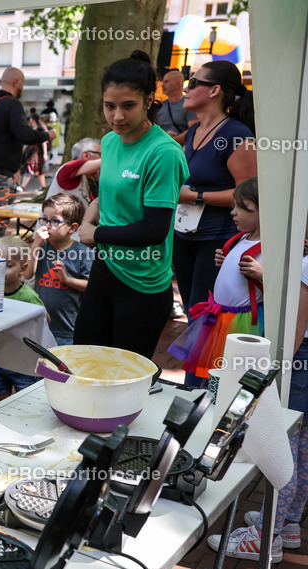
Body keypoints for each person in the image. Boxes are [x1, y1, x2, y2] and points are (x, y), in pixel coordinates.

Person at [74, 51, 189, 360]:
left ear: (149, 100)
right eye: (109, 106)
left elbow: (154, 229)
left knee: (125, 377)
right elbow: (107, 197)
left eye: (128, 106)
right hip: (105, 268)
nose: (117, 117)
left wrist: (96, 234)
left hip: (143, 283)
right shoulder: (110, 141)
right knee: (82, 362)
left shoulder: (163, 152)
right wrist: (89, 217)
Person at [210, 230, 308, 564]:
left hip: (300, 362)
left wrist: (275, 375)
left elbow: (295, 329)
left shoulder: (305, 267)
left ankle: (267, 536)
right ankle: (289, 522)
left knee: (284, 447)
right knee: (303, 447)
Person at [172, 60, 256, 324]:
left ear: (214, 90)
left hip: (217, 241)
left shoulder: (237, 133)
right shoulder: (195, 130)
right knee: (191, 312)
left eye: (193, 83)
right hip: (182, 235)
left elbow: (249, 195)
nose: (186, 89)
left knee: (205, 316)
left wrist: (196, 197)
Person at [168, 178, 262, 380]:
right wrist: (227, 261)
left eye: (242, 208)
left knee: (231, 374)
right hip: (219, 316)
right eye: (234, 206)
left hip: (240, 322)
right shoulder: (241, 238)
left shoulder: (269, 247)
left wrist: (262, 274)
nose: (233, 212)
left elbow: (284, 287)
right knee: (209, 370)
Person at [0, 67, 56, 245]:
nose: (22, 87)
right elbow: (24, 134)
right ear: (16, 82)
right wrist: (47, 135)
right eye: (22, 83)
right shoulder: (12, 104)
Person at [22, 193, 94, 346]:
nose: (46, 225)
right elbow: (28, 274)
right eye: (44, 219)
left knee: (64, 360)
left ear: (72, 228)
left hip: (69, 329)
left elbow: (91, 286)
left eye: (55, 221)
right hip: (42, 325)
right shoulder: (41, 248)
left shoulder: (83, 253)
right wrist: (35, 245)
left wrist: (67, 280)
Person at [0, 235, 44, 402]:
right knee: (0, 397)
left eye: (9, 265)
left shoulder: (28, 297)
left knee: (25, 400)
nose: (1, 269)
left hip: (22, 362)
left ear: (23, 268)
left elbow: (45, 320)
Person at [47, 137, 101, 208]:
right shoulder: (68, 168)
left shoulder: (83, 178)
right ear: (86, 155)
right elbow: (104, 162)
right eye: (101, 154)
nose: (102, 157)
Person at [157, 69, 197, 142]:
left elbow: (194, 130)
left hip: (182, 147)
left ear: (178, 84)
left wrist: (172, 140)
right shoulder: (160, 105)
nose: (163, 85)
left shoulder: (189, 104)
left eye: (166, 81)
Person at [19, 114, 49, 192]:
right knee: (39, 169)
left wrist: (45, 153)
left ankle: (22, 186)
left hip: (36, 152)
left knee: (30, 167)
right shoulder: (32, 129)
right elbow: (27, 142)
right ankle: (43, 186)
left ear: (32, 120)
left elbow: (43, 142)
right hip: (32, 152)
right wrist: (22, 150)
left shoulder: (39, 130)